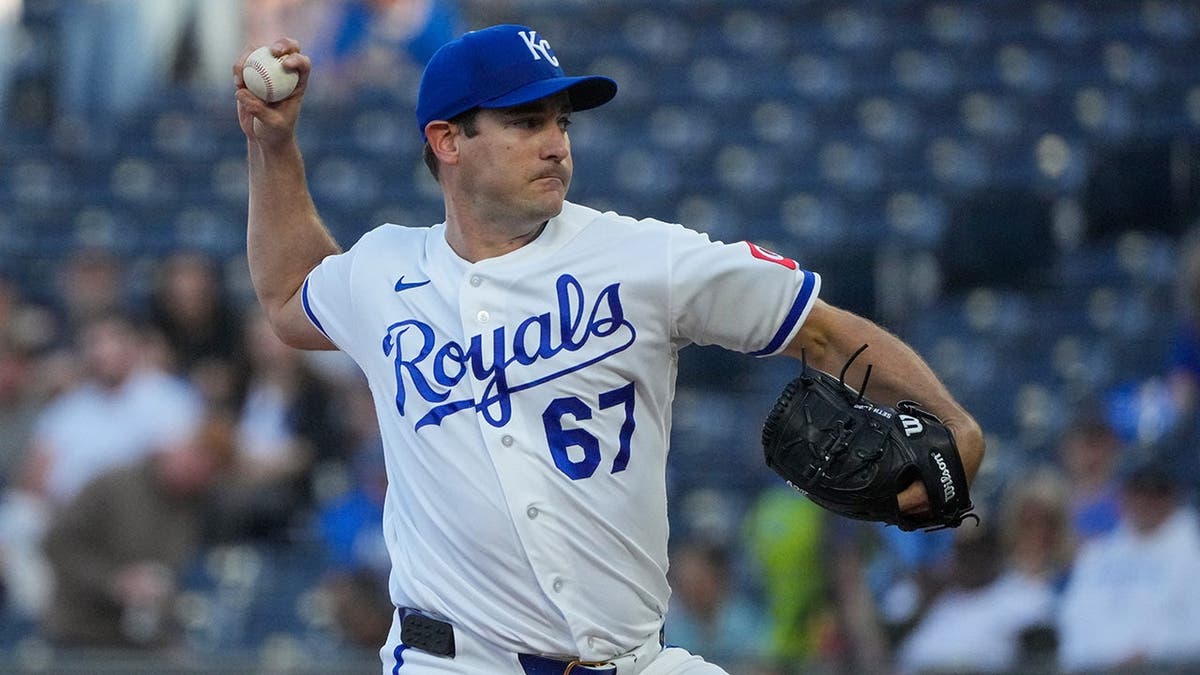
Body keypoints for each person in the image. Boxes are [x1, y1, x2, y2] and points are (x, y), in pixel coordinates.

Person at [233, 25, 985, 675]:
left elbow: (819, 327)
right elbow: (289, 291)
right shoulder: (385, 268)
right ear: (447, 140)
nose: (556, 144)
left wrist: (956, 422)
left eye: (561, 122)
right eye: (527, 122)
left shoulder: (641, 259)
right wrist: (272, 146)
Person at [40, 411, 236, 648]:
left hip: (146, 641)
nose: (197, 473)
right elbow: (57, 543)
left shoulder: (197, 505)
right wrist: (114, 581)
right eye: (195, 458)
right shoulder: (112, 485)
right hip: (80, 633)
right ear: (179, 449)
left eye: (208, 472)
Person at [1055, 459, 1200, 673]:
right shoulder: (1097, 554)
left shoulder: (1192, 551)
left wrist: (1151, 652)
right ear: (1123, 496)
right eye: (1138, 491)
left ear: (1174, 494)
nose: (1146, 501)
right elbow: (1072, 623)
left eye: (1157, 493)